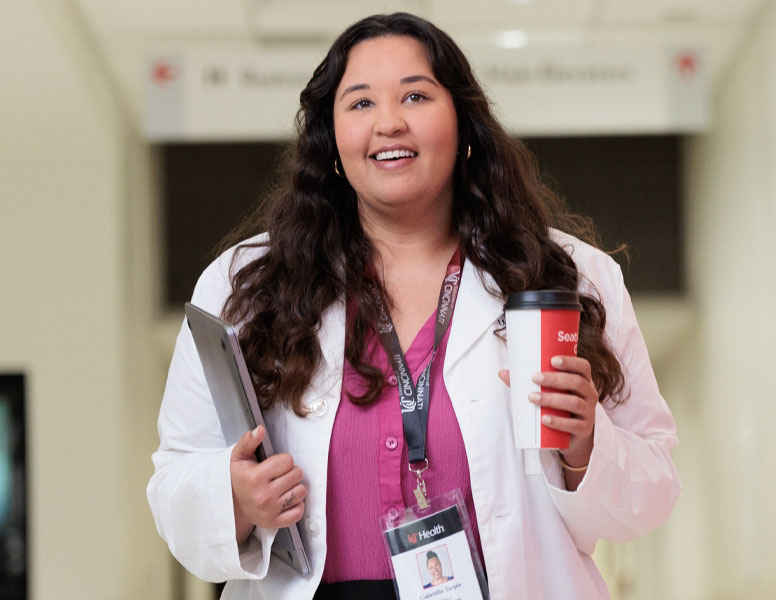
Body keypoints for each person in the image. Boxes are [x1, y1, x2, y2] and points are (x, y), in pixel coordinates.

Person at [146, 12, 680, 600]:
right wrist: (234, 499)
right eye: (360, 103)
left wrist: (586, 446)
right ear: (331, 142)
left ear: (464, 125)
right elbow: (175, 478)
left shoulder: (568, 276)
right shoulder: (247, 285)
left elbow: (654, 486)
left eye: (416, 96)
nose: (389, 123)